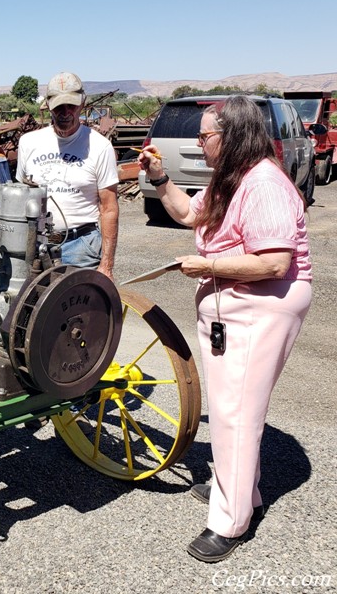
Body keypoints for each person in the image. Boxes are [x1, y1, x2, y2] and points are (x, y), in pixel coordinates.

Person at [137, 95, 312, 563]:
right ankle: (239, 493)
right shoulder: (230, 179)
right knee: (232, 405)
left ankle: (229, 523)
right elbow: (189, 215)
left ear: (232, 136)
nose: (199, 142)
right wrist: (158, 176)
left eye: (205, 135)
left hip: (261, 308)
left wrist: (208, 264)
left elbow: (275, 261)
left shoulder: (264, 185)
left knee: (236, 412)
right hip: (233, 304)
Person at [16, 72, 119, 280]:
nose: (65, 113)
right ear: (48, 105)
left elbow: (108, 208)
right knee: (31, 309)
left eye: (71, 106)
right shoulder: (28, 143)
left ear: (82, 103)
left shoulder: (100, 147)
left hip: (82, 248)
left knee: (81, 310)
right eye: (58, 107)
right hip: (36, 246)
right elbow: (20, 198)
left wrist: (107, 266)